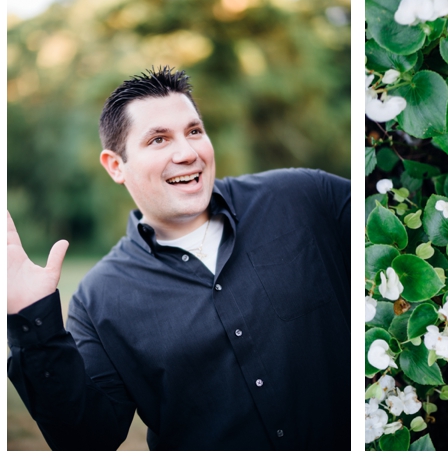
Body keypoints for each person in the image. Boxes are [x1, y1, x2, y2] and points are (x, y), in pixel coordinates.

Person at [6, 67, 350, 450]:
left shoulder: (305, 198)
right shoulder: (99, 299)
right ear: (116, 165)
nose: (187, 153)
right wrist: (30, 319)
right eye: (158, 140)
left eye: (194, 131)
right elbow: (86, 439)